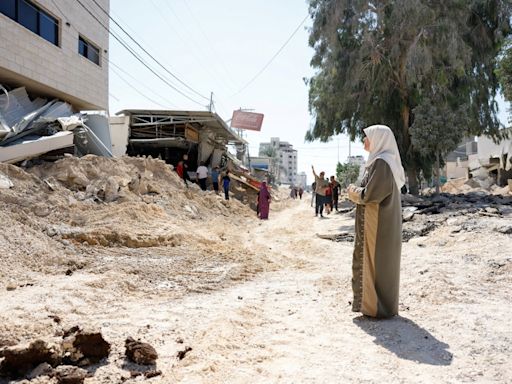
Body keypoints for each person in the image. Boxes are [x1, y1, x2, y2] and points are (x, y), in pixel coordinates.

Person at [347, 124, 405, 318]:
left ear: (378, 140)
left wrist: (352, 191)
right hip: (380, 225)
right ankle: (374, 305)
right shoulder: (380, 162)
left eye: (367, 137)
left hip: (379, 227)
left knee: (377, 266)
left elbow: (369, 195)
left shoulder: (382, 163)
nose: (364, 141)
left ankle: (377, 307)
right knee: (380, 267)